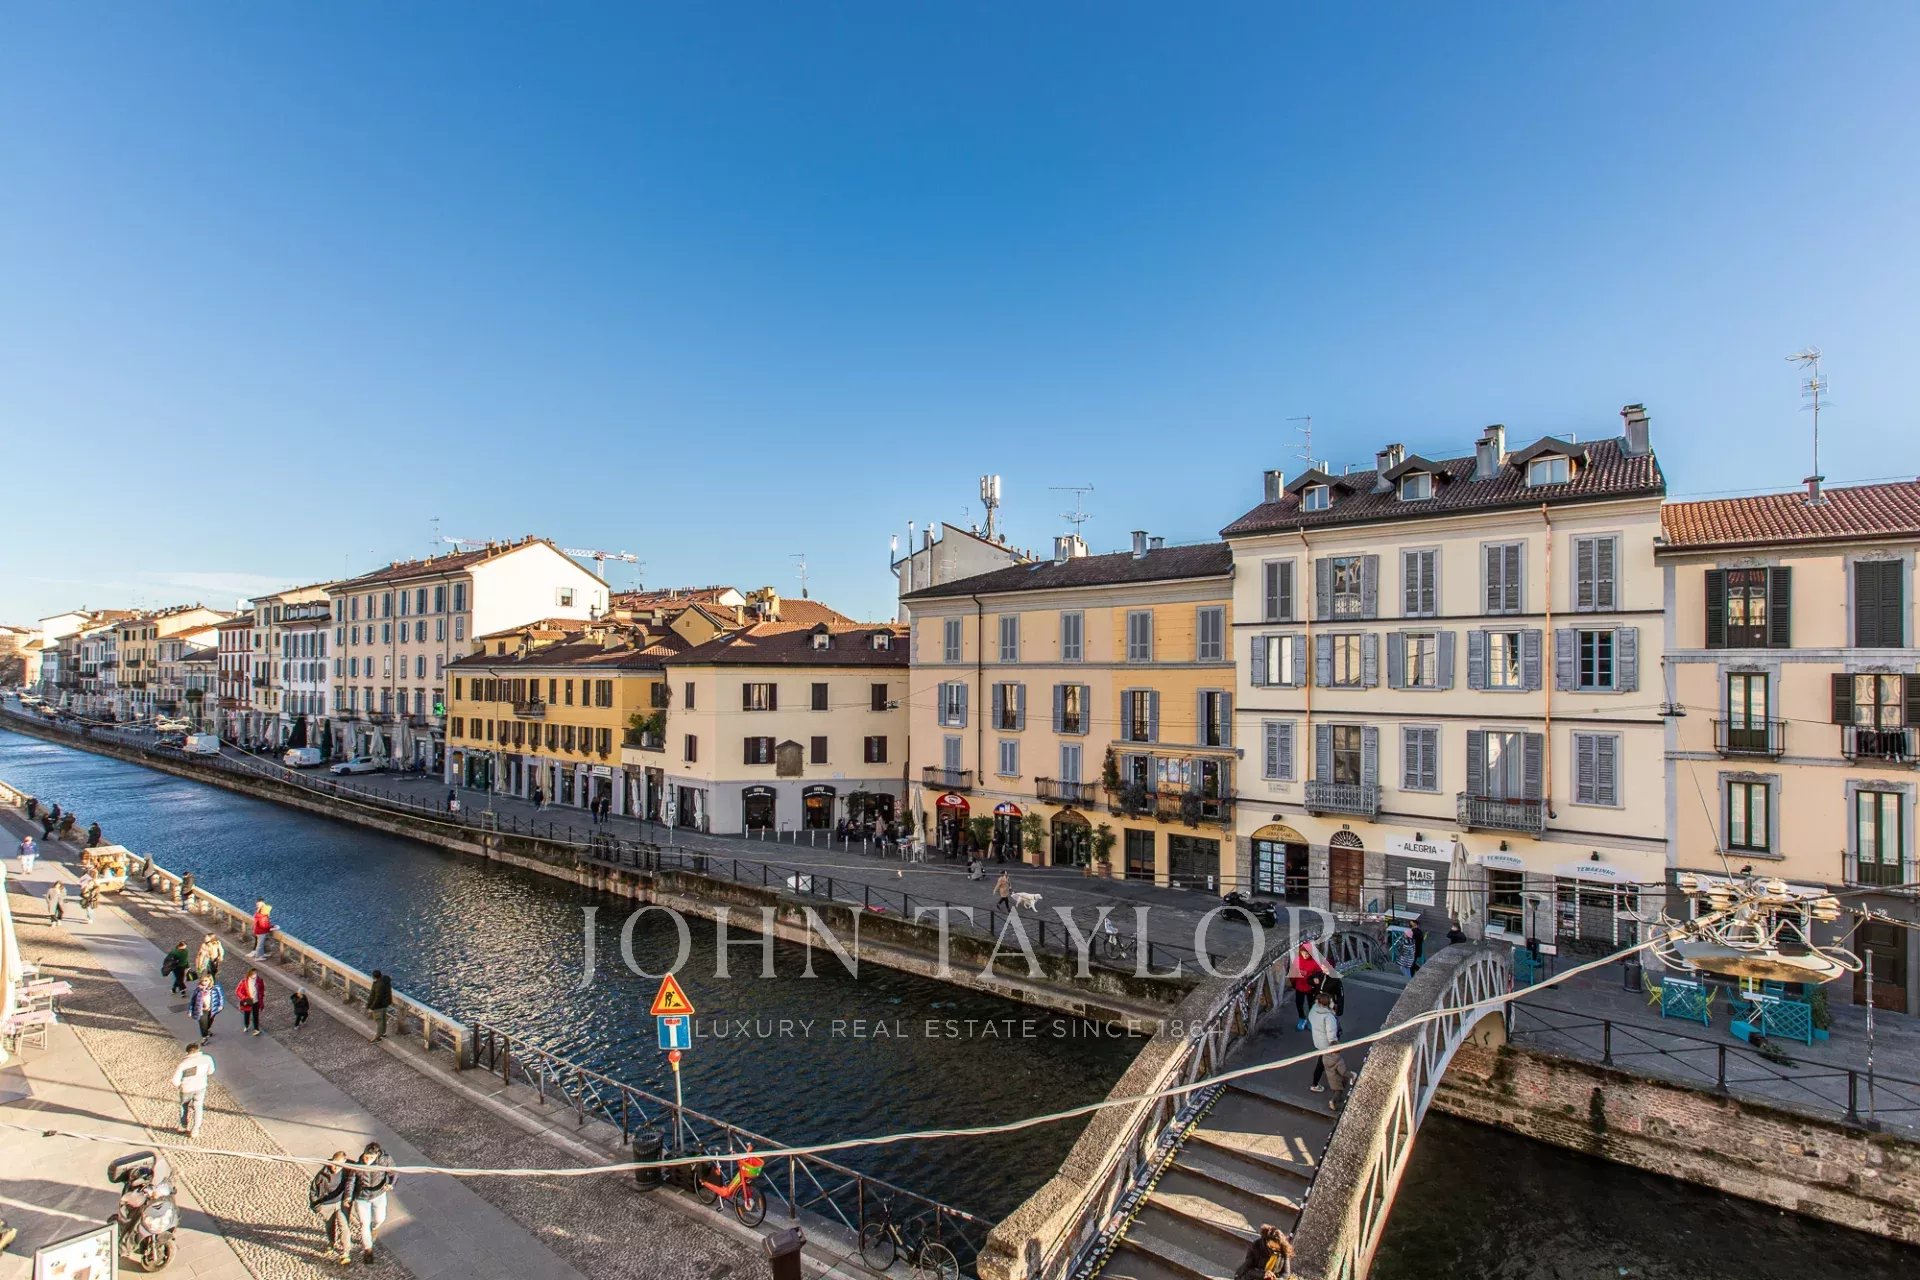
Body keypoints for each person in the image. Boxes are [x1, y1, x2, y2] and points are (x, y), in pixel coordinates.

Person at [347, 1141, 397, 1263]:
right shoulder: (358, 1165)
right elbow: (351, 1181)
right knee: (364, 1224)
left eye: (370, 1158)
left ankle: (375, 1228)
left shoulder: (385, 1160)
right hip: (362, 1197)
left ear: (377, 1155)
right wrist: (348, 1197)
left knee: (380, 1219)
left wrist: (391, 1184)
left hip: (378, 1195)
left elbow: (393, 1172)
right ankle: (368, 1250)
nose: (367, 1160)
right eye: (366, 1157)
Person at [310, 1152, 357, 1264]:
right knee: (329, 1225)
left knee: (344, 1227)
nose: (335, 1168)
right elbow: (313, 1190)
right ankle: (331, 1242)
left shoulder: (348, 1170)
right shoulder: (322, 1174)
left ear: (344, 1162)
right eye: (334, 1164)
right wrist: (316, 1206)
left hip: (341, 1203)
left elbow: (355, 1179)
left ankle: (346, 1252)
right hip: (326, 1204)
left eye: (338, 1165)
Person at [1308, 991, 1351, 1113]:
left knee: (1322, 1062)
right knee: (1326, 1064)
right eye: (1331, 1001)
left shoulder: (1314, 1010)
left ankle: (1317, 1083)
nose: (1333, 1003)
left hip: (1318, 1041)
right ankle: (1316, 1085)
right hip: (1327, 1045)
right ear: (1327, 1004)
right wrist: (1335, 1047)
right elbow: (1331, 1036)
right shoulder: (1329, 1017)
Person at [171, 1041, 215, 1136]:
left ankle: (183, 1126)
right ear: (198, 1050)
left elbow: (175, 1080)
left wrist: (180, 1085)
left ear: (187, 1052)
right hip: (201, 1086)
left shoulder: (183, 1064)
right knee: (198, 1107)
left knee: (184, 1106)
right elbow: (211, 1071)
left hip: (186, 1089)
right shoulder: (207, 1058)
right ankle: (195, 1130)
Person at [1288, 939, 1327, 1030]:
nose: (1305, 955)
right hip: (1300, 986)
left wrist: (1312, 976)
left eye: (1308, 953)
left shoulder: (1314, 961)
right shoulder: (1297, 960)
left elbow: (1319, 973)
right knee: (1299, 1003)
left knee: (1311, 1004)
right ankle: (1302, 1018)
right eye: (1303, 953)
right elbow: (1292, 971)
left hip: (1311, 987)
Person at [190, 975, 225, 1040]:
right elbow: (193, 1000)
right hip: (201, 1009)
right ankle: (204, 1037)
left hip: (212, 1008)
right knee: (203, 1023)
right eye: (202, 981)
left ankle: (206, 1030)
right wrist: (190, 1011)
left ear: (210, 980)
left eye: (206, 980)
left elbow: (221, 997)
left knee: (209, 1022)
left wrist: (221, 1005)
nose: (204, 982)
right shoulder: (198, 989)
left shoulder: (216, 988)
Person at [236, 968, 265, 1036]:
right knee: (247, 1014)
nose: (255, 975)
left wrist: (261, 995)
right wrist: (244, 998)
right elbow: (238, 991)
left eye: (255, 973)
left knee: (256, 1015)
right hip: (248, 1000)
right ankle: (246, 1025)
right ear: (249, 974)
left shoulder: (259, 980)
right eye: (253, 973)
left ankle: (256, 1029)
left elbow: (262, 988)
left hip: (256, 1000)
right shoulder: (244, 981)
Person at [366, 970, 393, 1041]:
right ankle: (383, 1033)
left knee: (379, 1021)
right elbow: (389, 977)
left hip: (378, 1006)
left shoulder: (378, 985)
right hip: (385, 1004)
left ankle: (377, 1037)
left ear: (374, 977)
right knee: (383, 1019)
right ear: (381, 975)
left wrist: (371, 1007)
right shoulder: (386, 979)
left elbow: (376, 998)